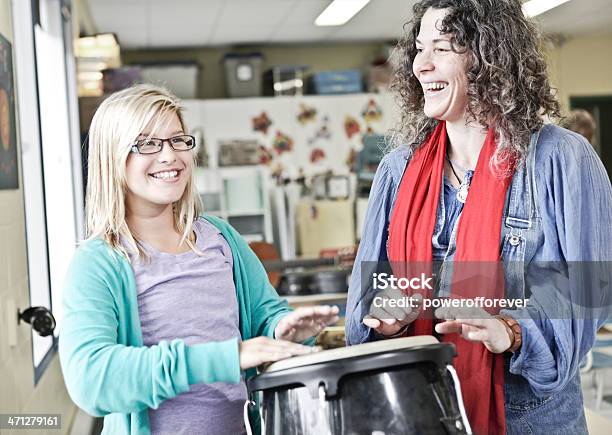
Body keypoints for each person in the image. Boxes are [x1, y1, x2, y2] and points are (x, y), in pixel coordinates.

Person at [345, 1, 612, 434]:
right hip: (421, 412)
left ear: (490, 56)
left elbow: (591, 289)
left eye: (442, 47)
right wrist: (389, 318)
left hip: (532, 417)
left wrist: (511, 329)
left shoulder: (561, 160)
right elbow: (365, 303)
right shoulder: (397, 171)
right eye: (419, 48)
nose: (421, 65)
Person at [59, 84, 339, 435]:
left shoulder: (220, 238)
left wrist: (283, 329)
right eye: (147, 143)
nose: (169, 156)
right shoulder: (100, 262)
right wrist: (222, 358)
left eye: (178, 140)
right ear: (112, 157)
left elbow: (266, 315)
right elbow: (91, 379)